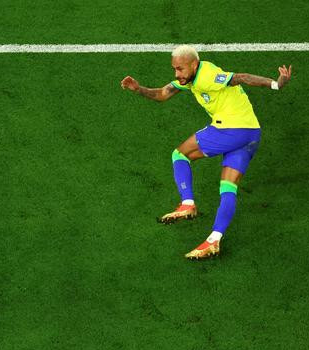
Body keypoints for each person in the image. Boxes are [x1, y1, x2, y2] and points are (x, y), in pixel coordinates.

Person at [121, 45, 292, 259]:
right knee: (228, 189)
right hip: (251, 135)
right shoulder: (190, 79)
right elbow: (164, 93)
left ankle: (187, 203)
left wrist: (276, 84)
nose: (177, 74)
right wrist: (139, 89)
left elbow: (242, 77)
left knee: (180, 154)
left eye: (180, 69)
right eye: (174, 69)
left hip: (232, 128)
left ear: (193, 64)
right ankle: (213, 240)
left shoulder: (208, 75)